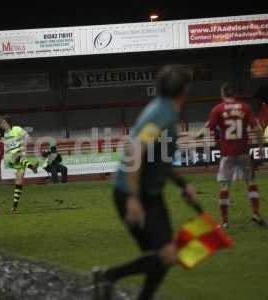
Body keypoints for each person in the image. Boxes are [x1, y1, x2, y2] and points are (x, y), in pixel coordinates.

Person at [92, 65, 203, 300]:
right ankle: (108, 275)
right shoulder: (161, 115)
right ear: (185, 90)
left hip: (149, 194)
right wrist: (132, 198)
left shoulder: (163, 111)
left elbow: (158, 160)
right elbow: (135, 151)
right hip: (135, 194)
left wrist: (183, 185)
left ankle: (110, 277)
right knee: (167, 256)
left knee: (167, 257)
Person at [197, 82, 266, 228]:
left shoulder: (218, 109)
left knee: (225, 186)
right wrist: (260, 147)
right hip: (243, 152)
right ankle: (256, 213)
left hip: (227, 154)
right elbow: (258, 128)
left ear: (222, 95)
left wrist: (196, 136)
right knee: (251, 182)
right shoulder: (245, 108)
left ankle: (225, 221)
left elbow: (206, 128)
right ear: (235, 95)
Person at [0, 115, 39, 212]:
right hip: (10, 158)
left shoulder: (17, 129)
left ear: (6, 122)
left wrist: (23, 145)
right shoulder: (3, 134)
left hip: (21, 157)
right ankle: (32, 167)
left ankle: (14, 206)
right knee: (17, 156)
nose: (1, 125)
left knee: (19, 180)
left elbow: (29, 138)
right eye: (0, 123)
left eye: (2, 123)